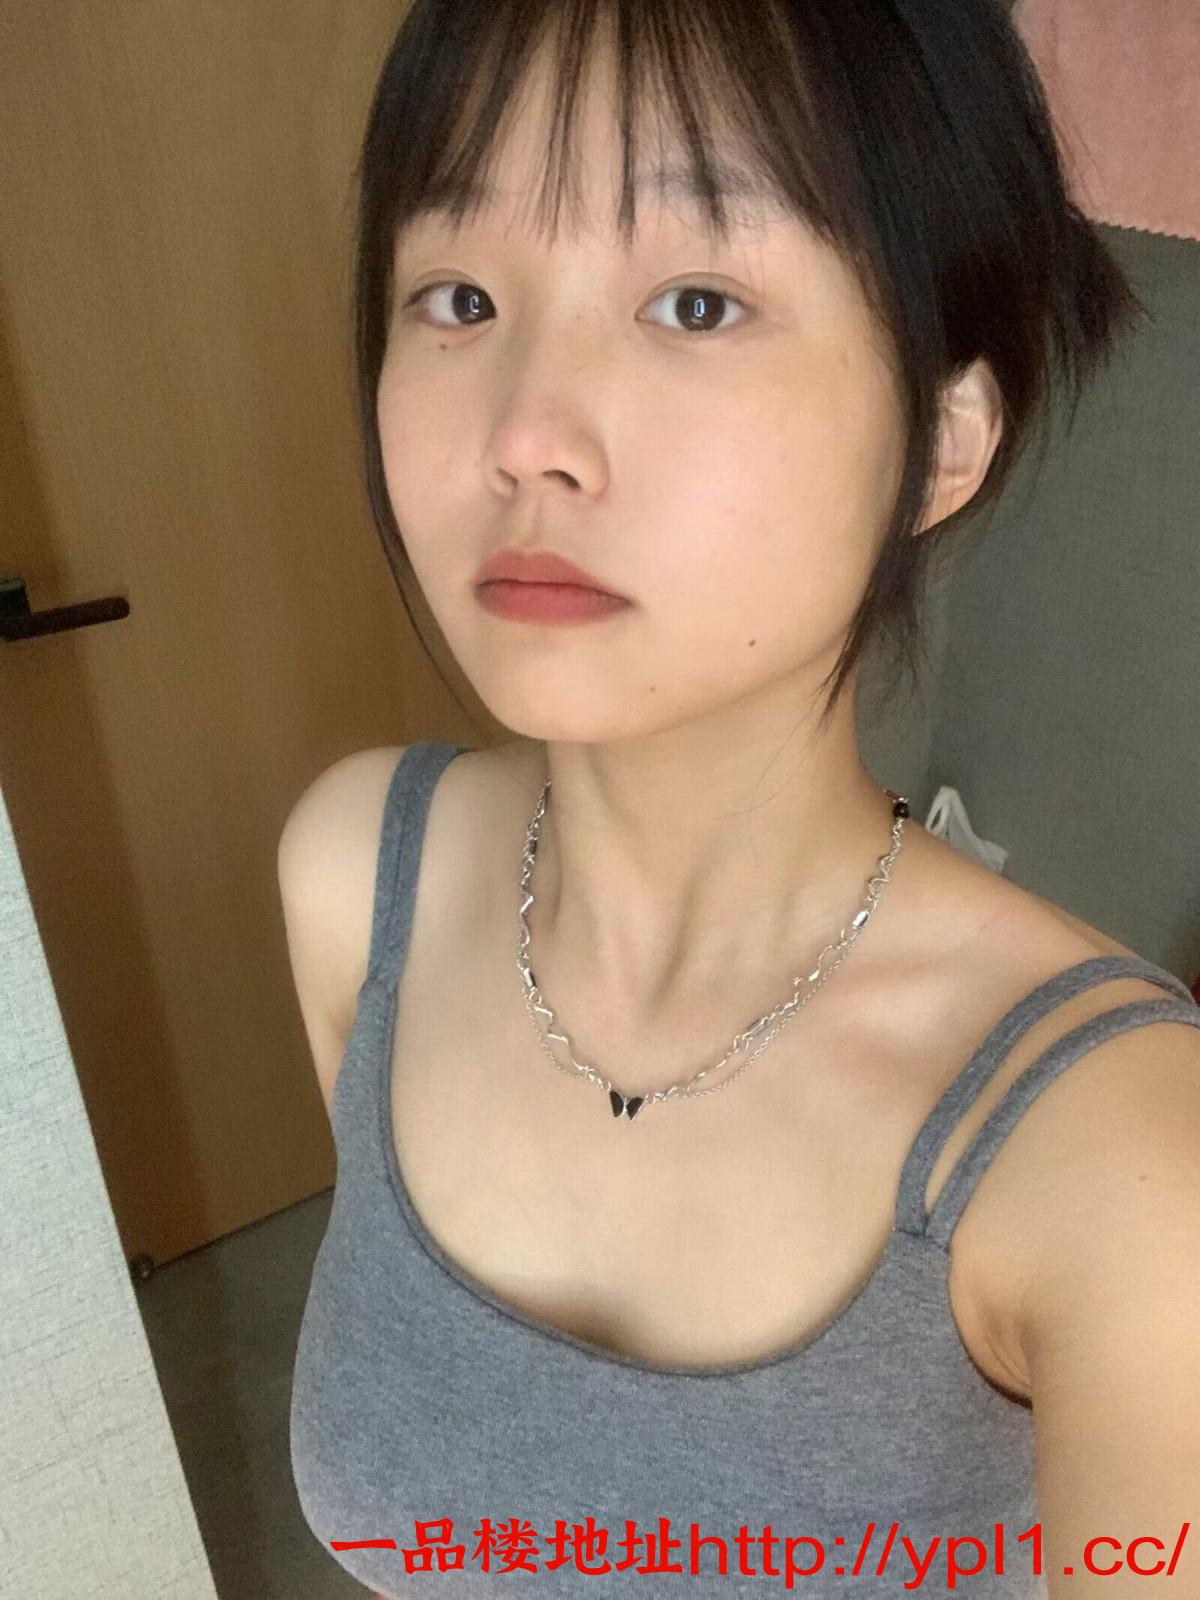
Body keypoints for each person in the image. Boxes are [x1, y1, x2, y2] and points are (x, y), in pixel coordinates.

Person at [280, 1, 1200, 1594]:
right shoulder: (362, 876)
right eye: (460, 296)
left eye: (695, 303)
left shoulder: (1117, 1157)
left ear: (942, 441)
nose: (525, 436)